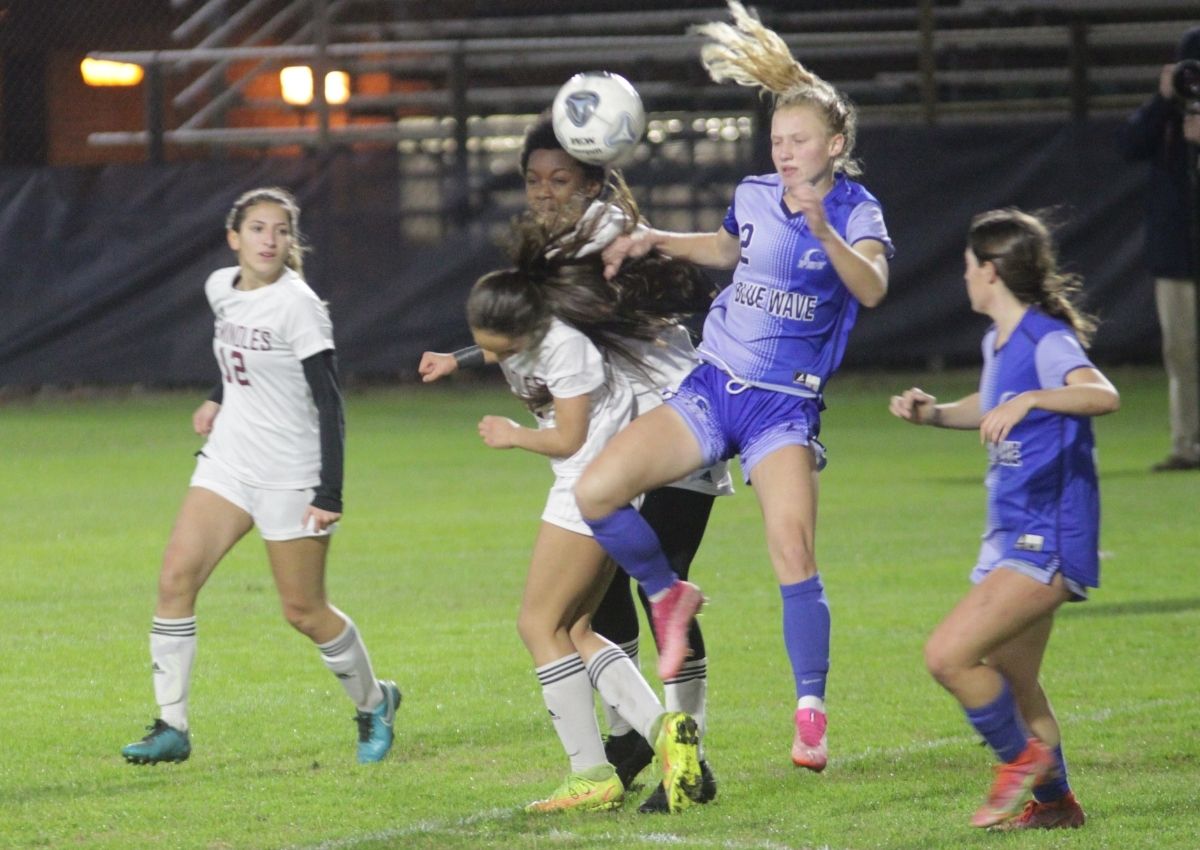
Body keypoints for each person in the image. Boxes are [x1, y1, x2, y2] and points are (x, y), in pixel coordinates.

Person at [573, 0, 893, 772]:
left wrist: (822, 230)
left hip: (783, 406)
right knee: (597, 493)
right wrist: (653, 238)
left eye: (800, 141)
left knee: (792, 552)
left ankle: (810, 710)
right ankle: (667, 593)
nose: (785, 153)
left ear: (835, 145)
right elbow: (726, 245)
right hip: (713, 387)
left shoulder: (856, 210)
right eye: (779, 140)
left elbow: (875, 287)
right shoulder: (754, 193)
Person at [425, 116, 730, 812]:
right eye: (534, 179)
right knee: (598, 612)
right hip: (618, 445)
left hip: (671, 436)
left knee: (663, 598)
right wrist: (463, 357)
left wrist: (613, 213)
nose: (544, 192)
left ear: (593, 178)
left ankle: (685, 750)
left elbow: (565, 362)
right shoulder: (557, 262)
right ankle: (638, 741)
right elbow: (523, 331)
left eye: (562, 178)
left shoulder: (607, 234)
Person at [121, 187, 400, 766]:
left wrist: (329, 492)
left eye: (279, 230)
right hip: (228, 462)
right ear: (234, 238)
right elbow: (240, 353)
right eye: (256, 228)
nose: (268, 240)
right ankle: (171, 727)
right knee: (176, 578)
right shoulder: (220, 288)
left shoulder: (299, 306)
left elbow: (330, 402)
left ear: (290, 241)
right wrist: (217, 397)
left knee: (303, 611)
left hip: (290, 473)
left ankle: (375, 703)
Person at [888, 208, 1120, 829]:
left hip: (1047, 536)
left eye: (968, 266)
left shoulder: (1047, 339)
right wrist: (934, 414)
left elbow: (1102, 394)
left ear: (990, 271)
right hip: (1012, 532)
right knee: (1016, 680)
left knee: (948, 656)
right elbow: (992, 407)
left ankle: (1020, 760)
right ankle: (1056, 806)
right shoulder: (999, 341)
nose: (962, 277)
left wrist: (1034, 397)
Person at [1119, 26, 1200, 471]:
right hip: (1176, 252)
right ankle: (1186, 444)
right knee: (1181, 351)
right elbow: (1128, 145)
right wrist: (1163, 99)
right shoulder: (1167, 114)